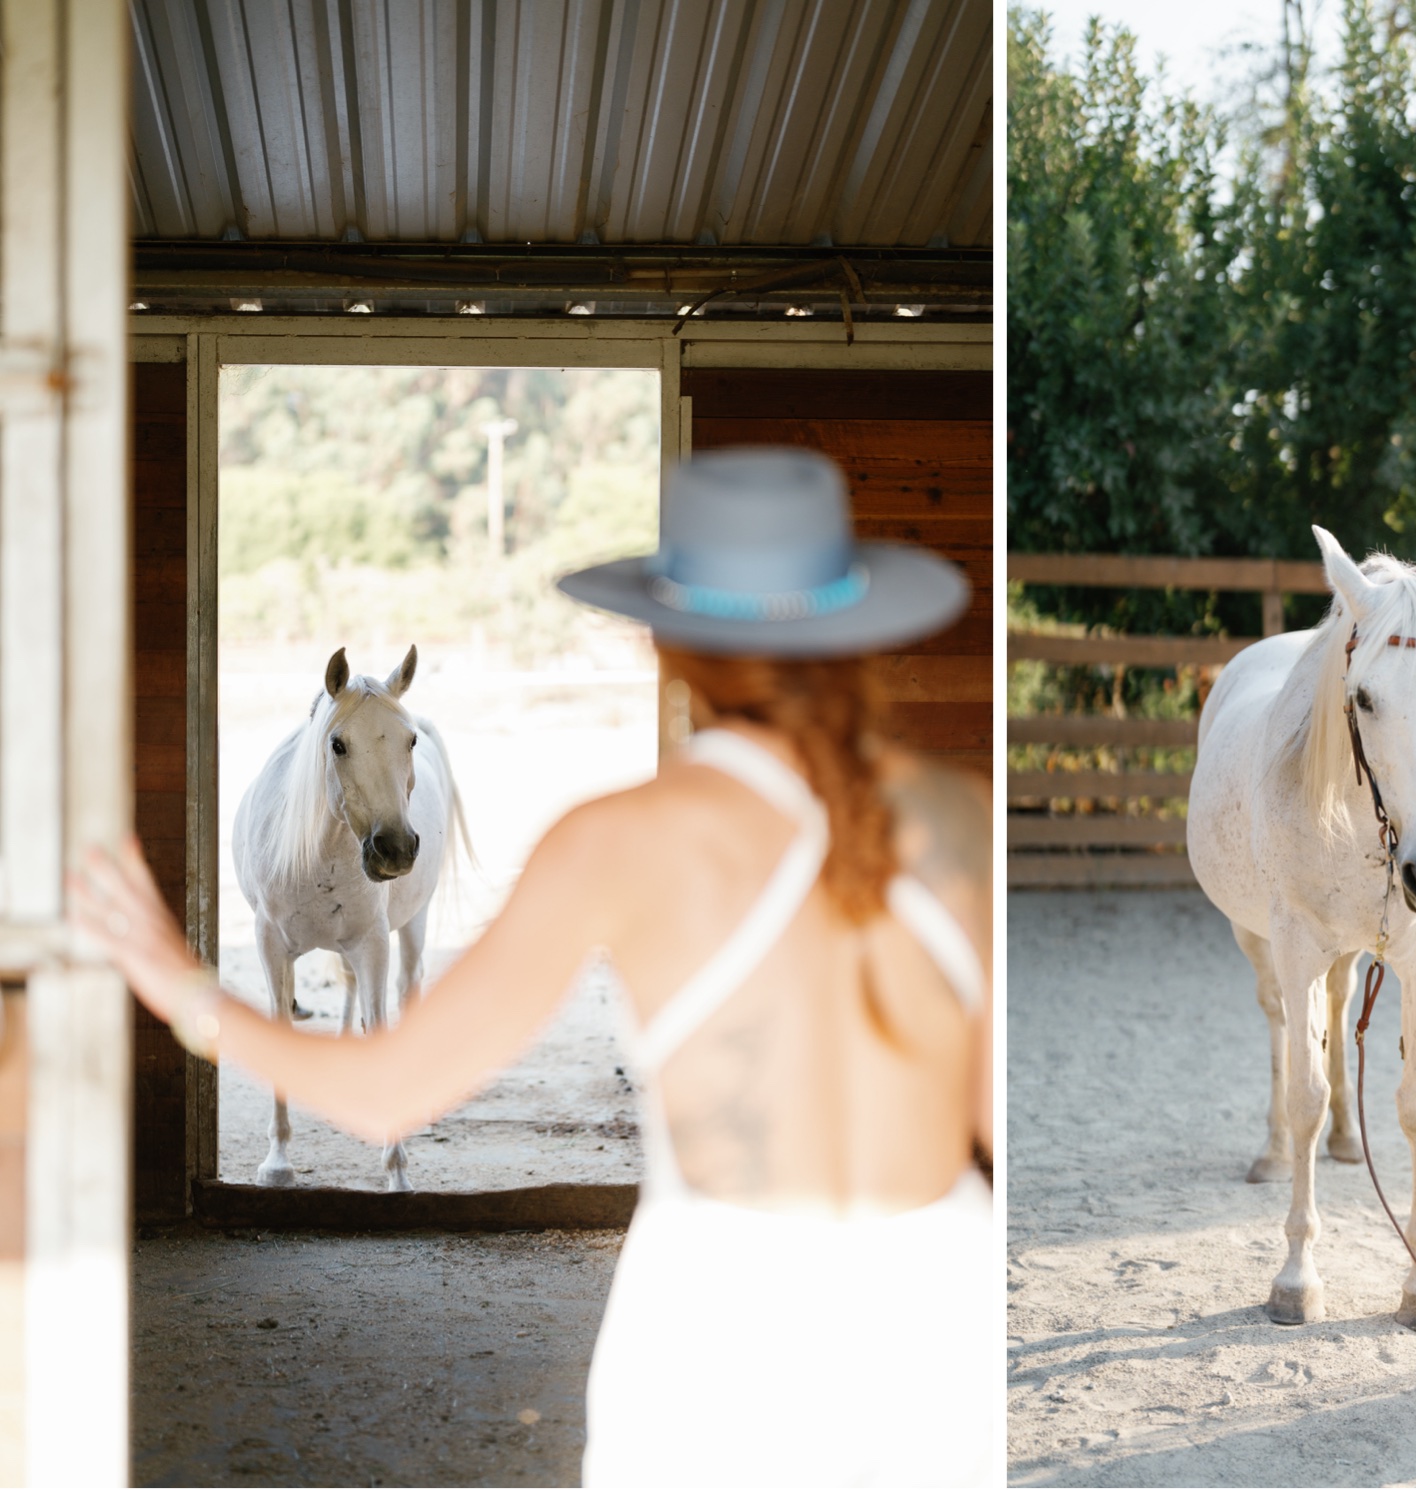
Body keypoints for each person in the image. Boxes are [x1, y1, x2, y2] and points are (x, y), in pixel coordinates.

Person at [72, 448, 995, 1486]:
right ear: (853, 628)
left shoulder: (617, 838)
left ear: (668, 643)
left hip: (725, 1325)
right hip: (937, 1309)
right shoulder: (963, 817)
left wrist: (175, 978)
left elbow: (387, 1092)